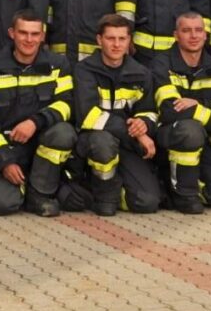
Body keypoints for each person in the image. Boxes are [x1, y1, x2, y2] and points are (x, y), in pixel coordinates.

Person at [0, 9, 76, 217]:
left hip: (42, 149)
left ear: (43, 36)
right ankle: (9, 187)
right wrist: (5, 161)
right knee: (1, 204)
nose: (29, 39)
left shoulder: (58, 66)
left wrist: (35, 122)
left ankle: (39, 193)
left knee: (63, 132)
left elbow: (66, 105)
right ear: (11, 33)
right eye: (23, 33)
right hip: (9, 150)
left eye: (35, 34)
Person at [62, 15, 158, 216]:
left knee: (147, 202)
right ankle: (104, 197)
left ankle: (106, 192)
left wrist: (145, 124)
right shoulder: (84, 69)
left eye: (122, 39)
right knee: (102, 141)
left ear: (129, 41)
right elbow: (88, 115)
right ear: (99, 40)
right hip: (93, 143)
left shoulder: (141, 73)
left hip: (126, 145)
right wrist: (137, 133)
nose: (116, 44)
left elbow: (149, 110)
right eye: (110, 38)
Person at [150, 13, 211, 213]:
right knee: (190, 129)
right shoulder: (162, 64)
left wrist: (198, 104)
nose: (193, 36)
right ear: (176, 35)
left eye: (198, 30)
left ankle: (175, 186)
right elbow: (170, 110)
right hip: (170, 139)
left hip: (207, 143)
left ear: (205, 35)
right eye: (186, 31)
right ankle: (184, 195)